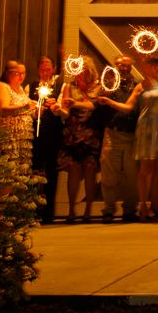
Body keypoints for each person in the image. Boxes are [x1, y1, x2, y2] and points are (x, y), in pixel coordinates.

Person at [92, 55, 138, 222]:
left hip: (131, 135)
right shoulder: (108, 84)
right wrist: (101, 94)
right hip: (112, 133)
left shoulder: (137, 85)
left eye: (127, 65)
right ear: (115, 66)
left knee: (131, 176)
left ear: (131, 67)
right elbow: (94, 102)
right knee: (109, 175)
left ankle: (130, 210)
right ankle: (109, 209)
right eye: (120, 65)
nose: (124, 68)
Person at [56, 63, 104, 222]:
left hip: (91, 134)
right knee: (74, 170)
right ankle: (71, 209)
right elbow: (65, 110)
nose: (79, 73)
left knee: (90, 170)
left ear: (89, 71)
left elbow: (93, 105)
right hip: (73, 133)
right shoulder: (70, 86)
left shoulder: (97, 87)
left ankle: (88, 210)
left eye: (82, 71)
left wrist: (75, 103)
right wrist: (59, 110)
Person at [132, 56, 158, 221]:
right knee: (146, 169)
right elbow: (130, 105)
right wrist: (110, 102)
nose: (156, 68)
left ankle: (155, 205)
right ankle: (143, 206)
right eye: (153, 66)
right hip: (148, 129)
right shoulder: (144, 85)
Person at [32, 56, 65, 223]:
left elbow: (63, 110)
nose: (45, 71)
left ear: (53, 69)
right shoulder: (30, 86)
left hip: (53, 134)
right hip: (36, 135)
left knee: (52, 172)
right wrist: (35, 108)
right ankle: (32, 209)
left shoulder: (60, 86)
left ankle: (48, 212)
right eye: (42, 69)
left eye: (48, 69)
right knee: (34, 170)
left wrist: (55, 107)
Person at [0, 60, 36, 174]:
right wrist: (26, 106)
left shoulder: (20, 89)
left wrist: (36, 111)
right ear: (7, 73)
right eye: (17, 73)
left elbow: (25, 111)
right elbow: (3, 109)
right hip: (8, 139)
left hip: (22, 141)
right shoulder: (1, 86)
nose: (21, 76)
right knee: (8, 172)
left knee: (20, 175)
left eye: (23, 73)